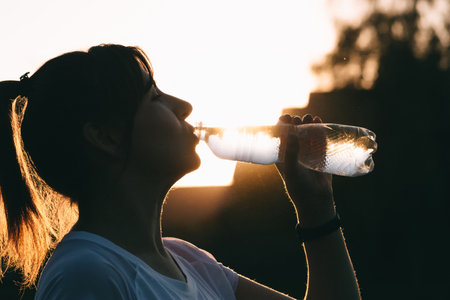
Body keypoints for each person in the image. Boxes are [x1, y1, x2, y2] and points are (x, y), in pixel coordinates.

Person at [0, 44, 361, 299]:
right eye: (154, 97)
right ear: (105, 136)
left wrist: (316, 208)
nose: (184, 106)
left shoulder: (188, 261)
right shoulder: (87, 275)